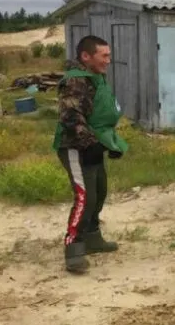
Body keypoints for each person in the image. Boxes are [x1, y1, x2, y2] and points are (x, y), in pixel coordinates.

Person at [53, 35, 129, 274]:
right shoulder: (75, 82)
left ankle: (93, 238)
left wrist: (110, 144)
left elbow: (99, 116)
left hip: (92, 145)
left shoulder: (95, 77)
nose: (109, 60)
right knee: (85, 197)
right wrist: (90, 145)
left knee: (99, 191)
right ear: (86, 56)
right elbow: (71, 117)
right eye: (104, 55)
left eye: (108, 54)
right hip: (75, 147)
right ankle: (73, 248)